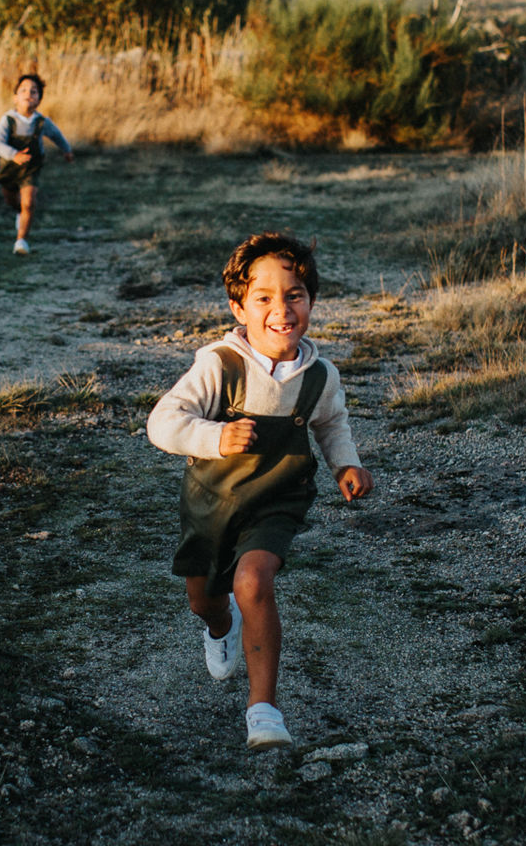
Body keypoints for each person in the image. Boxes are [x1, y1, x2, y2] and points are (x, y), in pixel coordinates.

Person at [146, 232, 374, 750]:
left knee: (253, 580)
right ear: (238, 306)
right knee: (205, 600)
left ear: (311, 301)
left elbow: (332, 423)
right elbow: (162, 422)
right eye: (264, 298)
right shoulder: (219, 365)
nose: (282, 310)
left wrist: (346, 464)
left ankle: (264, 709)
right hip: (213, 502)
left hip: (277, 498)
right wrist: (214, 437)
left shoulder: (318, 375)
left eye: (294, 295)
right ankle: (218, 627)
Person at [0, 74, 73, 255]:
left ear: (39, 100)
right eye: (24, 90)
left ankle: (21, 241)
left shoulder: (42, 122)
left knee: (29, 203)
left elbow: (57, 136)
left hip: (32, 168)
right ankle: (19, 213)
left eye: (34, 92)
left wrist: (66, 150)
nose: (29, 94)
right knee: (12, 201)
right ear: (15, 98)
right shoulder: (8, 120)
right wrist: (13, 155)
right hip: (9, 169)